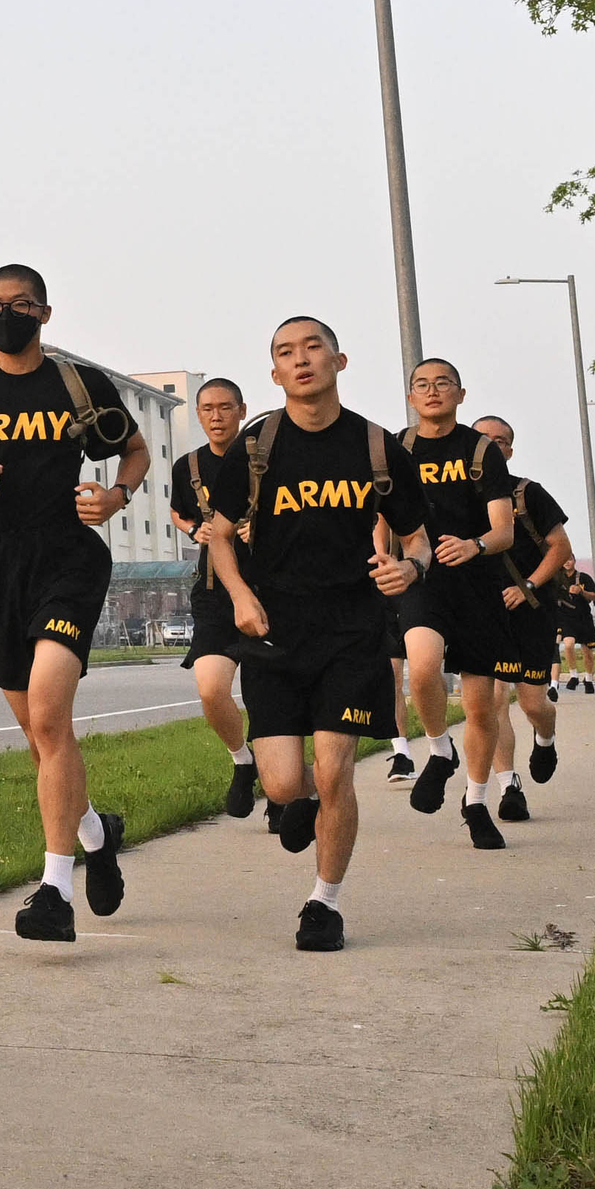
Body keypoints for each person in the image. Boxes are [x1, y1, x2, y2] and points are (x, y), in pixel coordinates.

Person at [0, 266, 152, 942]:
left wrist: (116, 497)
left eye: (18, 305)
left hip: (67, 556)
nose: (4, 314)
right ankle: (97, 832)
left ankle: (54, 890)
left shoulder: (78, 385)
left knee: (49, 713)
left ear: (43, 312)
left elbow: (134, 450)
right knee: (44, 739)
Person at [206, 315, 411, 950]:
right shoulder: (256, 445)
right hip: (273, 631)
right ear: (275, 373)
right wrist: (239, 595)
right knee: (283, 785)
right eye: (286, 353)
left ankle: (324, 903)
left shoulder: (378, 447)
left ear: (339, 361)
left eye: (313, 348)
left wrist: (410, 566)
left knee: (335, 769)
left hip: (352, 630)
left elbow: (417, 536)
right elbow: (217, 531)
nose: (302, 360)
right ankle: (301, 810)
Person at [386, 357, 518, 852]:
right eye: (422, 384)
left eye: (443, 383)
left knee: (483, 709)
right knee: (421, 668)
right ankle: (439, 752)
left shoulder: (480, 449)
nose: (433, 390)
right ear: (410, 396)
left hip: (478, 586)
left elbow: (502, 529)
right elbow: (384, 513)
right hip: (422, 579)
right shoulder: (398, 448)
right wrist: (382, 555)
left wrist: (474, 545)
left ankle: (477, 802)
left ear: (460, 394)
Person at [472, 416, 577, 818]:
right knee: (494, 698)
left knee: (533, 702)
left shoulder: (527, 493)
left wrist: (529, 586)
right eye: (483, 439)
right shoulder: (461, 497)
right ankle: (508, 786)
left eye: (500, 441)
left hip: (531, 609)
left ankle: (546, 739)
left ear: (510, 451)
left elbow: (560, 547)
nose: (492, 446)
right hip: (486, 614)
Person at [168, 376, 261, 820]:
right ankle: (243, 761)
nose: (217, 416)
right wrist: (192, 528)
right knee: (211, 690)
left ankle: (287, 791)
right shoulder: (188, 467)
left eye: (226, 407)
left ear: (242, 411)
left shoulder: (263, 462)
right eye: (207, 408)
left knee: (270, 700)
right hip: (212, 593)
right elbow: (178, 510)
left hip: (267, 594)